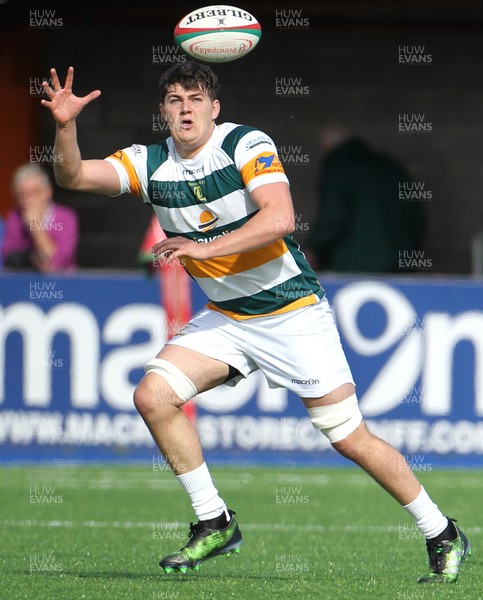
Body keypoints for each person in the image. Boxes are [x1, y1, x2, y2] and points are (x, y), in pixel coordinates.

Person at [41, 62, 470, 584]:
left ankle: (441, 532)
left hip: (292, 312)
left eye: (195, 99)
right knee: (153, 396)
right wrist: (65, 125)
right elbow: (72, 175)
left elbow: (280, 219)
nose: (185, 108)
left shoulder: (245, 144)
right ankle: (214, 521)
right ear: (163, 111)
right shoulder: (149, 162)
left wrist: (203, 248)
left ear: (214, 109)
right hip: (229, 315)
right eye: (174, 99)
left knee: (348, 437)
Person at [304, 126, 425, 273]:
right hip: (398, 264)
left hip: (355, 265)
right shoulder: (390, 166)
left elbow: (332, 217)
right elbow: (416, 214)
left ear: (328, 146)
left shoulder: (338, 169)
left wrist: (312, 249)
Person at [2, 163, 78, 272]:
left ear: (47, 191)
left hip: (62, 285)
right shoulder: (15, 218)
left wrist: (36, 227)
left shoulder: (66, 218)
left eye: (32, 193)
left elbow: (56, 263)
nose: (27, 201)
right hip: (24, 283)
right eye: (21, 195)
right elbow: (9, 256)